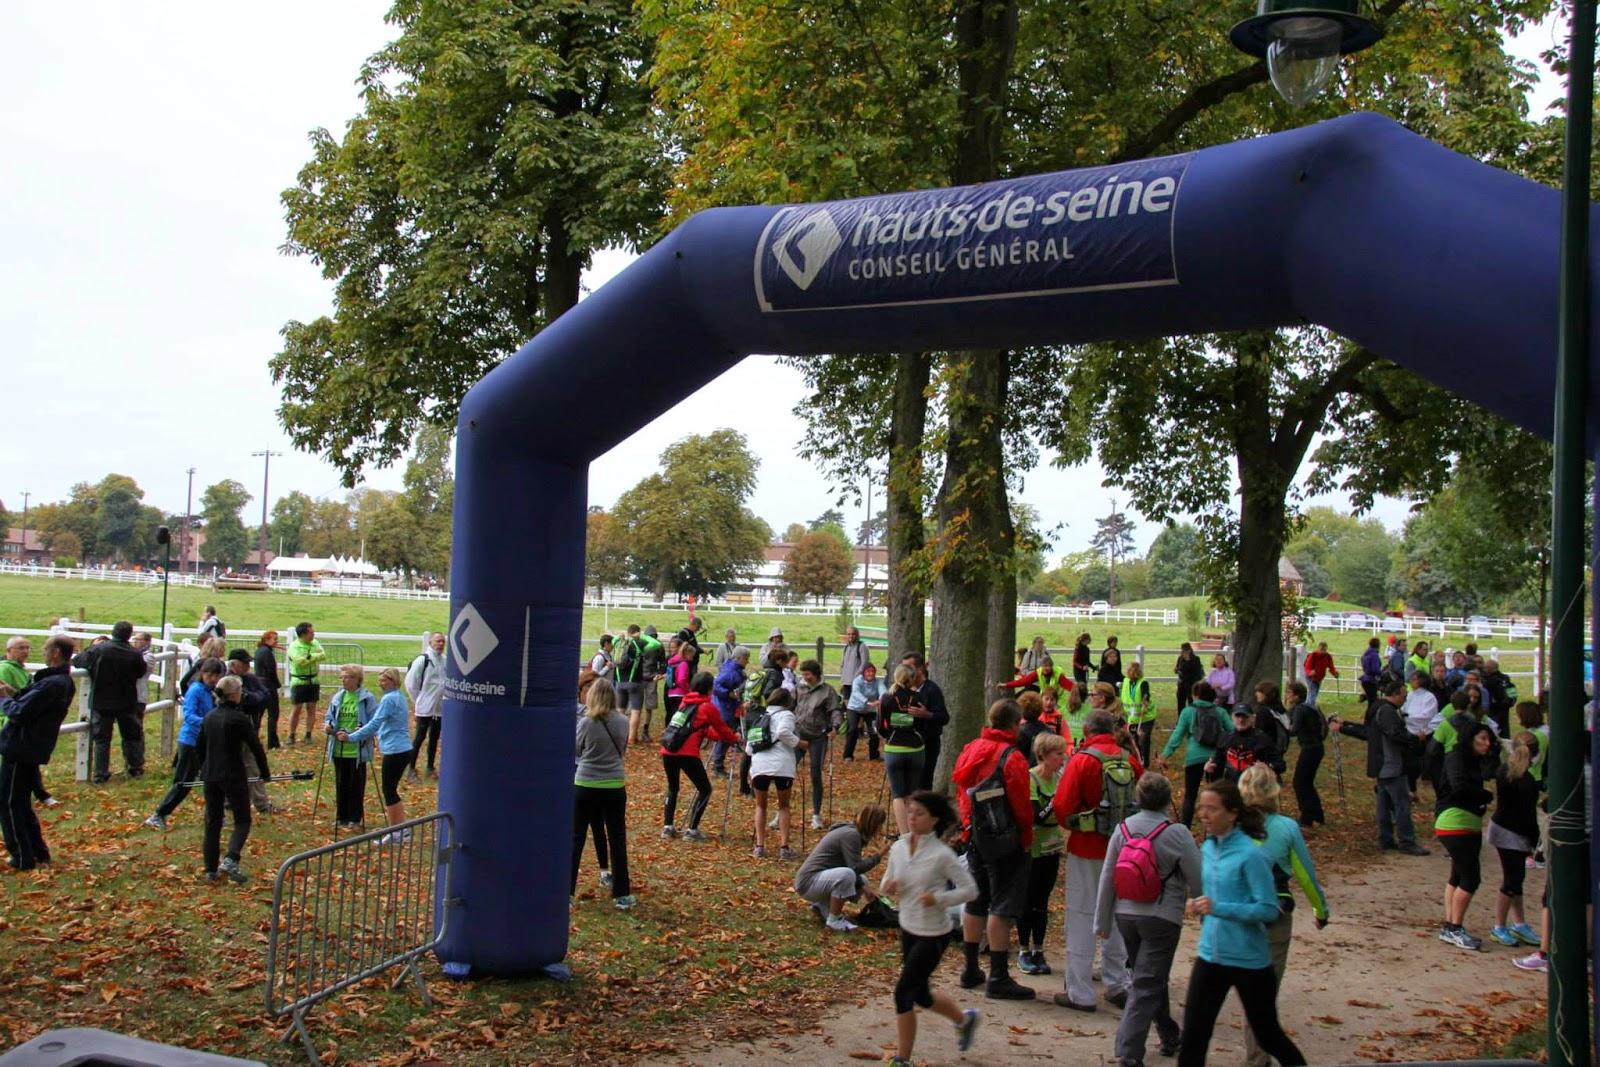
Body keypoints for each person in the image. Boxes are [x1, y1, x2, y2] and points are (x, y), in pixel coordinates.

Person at [1176, 781, 1307, 1067]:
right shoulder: (1208, 848)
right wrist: (1196, 904)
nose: (1204, 815)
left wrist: (1219, 908)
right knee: (1193, 1038)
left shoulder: (1252, 854)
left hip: (1249, 960)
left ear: (1233, 813)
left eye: (1213, 809)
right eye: (1202, 808)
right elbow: (1212, 893)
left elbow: (1268, 908)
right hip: (1210, 956)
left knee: (1268, 1035)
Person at [1096, 772, 1202, 1067]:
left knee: (1150, 977)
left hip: (1126, 915)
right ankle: (1128, 1053)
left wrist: (1102, 921)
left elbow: (1108, 876)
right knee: (1146, 982)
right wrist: (1204, 909)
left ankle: (1168, 1033)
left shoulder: (1123, 829)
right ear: (1168, 800)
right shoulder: (1178, 833)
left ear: (1138, 799)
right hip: (1162, 918)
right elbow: (1197, 877)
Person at [879, 790, 981, 1067]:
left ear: (934, 820)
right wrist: (889, 885)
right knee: (921, 995)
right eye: (910, 811)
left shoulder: (941, 855)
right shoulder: (899, 848)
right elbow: (886, 883)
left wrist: (938, 899)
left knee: (903, 993)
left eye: (919, 813)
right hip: (908, 928)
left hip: (934, 934)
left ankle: (902, 1059)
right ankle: (965, 1020)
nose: (912, 817)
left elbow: (970, 890)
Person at [1237, 765, 1329, 1067]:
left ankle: (1257, 1055)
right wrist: (1320, 910)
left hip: (1239, 918)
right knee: (1264, 993)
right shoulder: (1286, 827)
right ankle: (1258, 1058)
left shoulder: (1232, 826)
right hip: (1274, 916)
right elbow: (1305, 873)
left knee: (1250, 992)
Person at [1051, 708, 1139, 1012]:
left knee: (1082, 914)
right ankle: (1117, 983)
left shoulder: (1083, 760)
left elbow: (1063, 806)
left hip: (1088, 847)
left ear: (1087, 731)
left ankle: (1080, 991)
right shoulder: (1129, 760)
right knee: (1117, 913)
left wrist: (1077, 823)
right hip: (1125, 849)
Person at [952, 699, 1036, 1000]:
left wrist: (967, 827)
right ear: (1014, 724)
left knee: (976, 899)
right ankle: (998, 975)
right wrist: (1025, 837)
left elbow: (961, 791)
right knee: (1002, 903)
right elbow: (1021, 804)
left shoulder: (971, 749)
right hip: (1004, 840)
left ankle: (970, 967)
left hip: (975, 836)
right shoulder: (1012, 757)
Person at [1329, 679, 1430, 856]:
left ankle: (1386, 838)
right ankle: (1407, 841)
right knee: (1401, 804)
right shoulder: (1388, 712)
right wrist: (1416, 740)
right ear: (1396, 694)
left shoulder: (1377, 708)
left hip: (1380, 765)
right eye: (1404, 695)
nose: (1405, 699)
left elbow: (1367, 732)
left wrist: (1345, 726)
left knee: (1384, 804)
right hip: (1392, 764)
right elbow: (1395, 735)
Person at [0, 635, 76, 869]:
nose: (41, 653)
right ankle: (38, 851)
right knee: (21, 802)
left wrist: (3, 699)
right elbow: (32, 706)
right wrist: (13, 693)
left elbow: (20, 713)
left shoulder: (51, 683)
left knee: (9, 802)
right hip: (33, 746)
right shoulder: (62, 681)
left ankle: (22, 856)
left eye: (45, 649)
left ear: (55, 653)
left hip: (21, 747)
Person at [195, 675, 269, 883]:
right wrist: (264, 772)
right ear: (235, 694)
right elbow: (255, 747)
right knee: (242, 819)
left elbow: (199, 747)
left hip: (211, 775)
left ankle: (210, 870)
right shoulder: (239, 719)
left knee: (213, 821)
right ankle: (231, 858)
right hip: (233, 774)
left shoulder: (209, 717)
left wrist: (202, 768)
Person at [572, 677, 635, 909]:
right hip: (614, 784)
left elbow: (576, 750)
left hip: (585, 784)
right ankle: (621, 893)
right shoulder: (623, 721)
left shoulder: (586, 723)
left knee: (576, 837)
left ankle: (567, 892)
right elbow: (623, 749)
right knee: (617, 839)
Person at [1435, 720, 1497, 950]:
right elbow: (1459, 787)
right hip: (1455, 821)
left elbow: (1489, 772)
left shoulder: (1474, 760)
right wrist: (1483, 796)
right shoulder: (1456, 758)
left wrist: (1493, 756)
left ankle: (1450, 925)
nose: (1486, 743)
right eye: (1482, 738)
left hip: (1469, 823)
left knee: (1458, 875)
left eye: (1489, 739)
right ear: (1470, 738)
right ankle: (1455, 928)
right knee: (1471, 877)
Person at [660, 670, 741, 842]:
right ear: (709, 688)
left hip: (668, 750)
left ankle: (667, 827)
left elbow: (698, 728)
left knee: (673, 787)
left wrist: (718, 737)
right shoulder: (707, 707)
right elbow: (722, 729)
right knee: (705, 789)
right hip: (686, 753)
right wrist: (735, 738)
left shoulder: (685, 701)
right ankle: (692, 830)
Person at [146, 657, 224, 830]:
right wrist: (209, 722)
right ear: (202, 674)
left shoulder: (212, 692)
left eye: (216, 676)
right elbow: (189, 716)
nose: (212, 679)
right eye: (209, 675)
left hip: (205, 741)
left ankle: (216, 816)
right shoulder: (195, 690)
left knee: (213, 779)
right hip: (190, 741)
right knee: (184, 782)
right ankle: (159, 814)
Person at [339, 667, 414, 844]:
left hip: (395, 750)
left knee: (389, 791)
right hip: (402, 748)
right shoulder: (399, 697)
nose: (381, 684)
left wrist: (351, 737)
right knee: (391, 789)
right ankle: (401, 830)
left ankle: (397, 832)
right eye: (379, 680)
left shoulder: (389, 699)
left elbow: (375, 723)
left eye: (384, 680)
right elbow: (385, 726)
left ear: (393, 681)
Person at [72, 620, 147, 783]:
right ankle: (135, 768)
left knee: (102, 739)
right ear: (129, 635)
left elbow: (77, 661)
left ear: (113, 632)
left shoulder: (99, 650)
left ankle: (101, 774)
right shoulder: (134, 654)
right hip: (127, 701)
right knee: (131, 736)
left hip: (102, 701)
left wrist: (91, 649)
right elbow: (141, 672)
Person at [1487, 731, 1543, 948]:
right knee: (1512, 881)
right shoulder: (1527, 781)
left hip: (1500, 827)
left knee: (1515, 878)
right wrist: (1535, 842)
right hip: (1514, 834)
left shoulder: (1504, 770)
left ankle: (1519, 923)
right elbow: (1528, 816)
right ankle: (1499, 926)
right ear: (1535, 754)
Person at [1018, 732, 1067, 974]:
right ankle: (1023, 949)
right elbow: (1037, 815)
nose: (1062, 758)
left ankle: (1039, 949)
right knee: (1028, 899)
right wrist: (1057, 799)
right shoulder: (1031, 778)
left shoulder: (1060, 777)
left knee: (1042, 901)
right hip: (1033, 847)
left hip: (1052, 846)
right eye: (1058, 754)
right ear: (1044, 755)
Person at [794, 803, 886, 932]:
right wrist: (880, 854)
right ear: (872, 823)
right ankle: (834, 921)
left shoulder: (850, 831)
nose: (880, 828)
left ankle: (822, 906)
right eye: (879, 824)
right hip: (807, 882)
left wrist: (864, 887)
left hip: (814, 880)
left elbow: (851, 866)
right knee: (847, 875)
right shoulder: (851, 834)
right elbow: (855, 868)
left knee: (862, 880)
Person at [1157, 681, 1232, 827]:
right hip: (1216, 757)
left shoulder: (1188, 712)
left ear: (1196, 695)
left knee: (1190, 796)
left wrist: (1165, 754)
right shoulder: (1220, 712)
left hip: (1194, 757)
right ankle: (1217, 825)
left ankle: (1185, 827)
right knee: (1216, 793)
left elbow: (1177, 735)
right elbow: (1232, 731)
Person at [749, 687, 806, 860]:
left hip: (760, 765)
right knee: (784, 806)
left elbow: (749, 748)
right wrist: (799, 743)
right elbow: (783, 732)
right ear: (787, 702)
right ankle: (784, 847)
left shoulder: (760, 717)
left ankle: (760, 846)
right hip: (782, 765)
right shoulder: (787, 715)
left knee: (761, 805)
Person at [0, 637, 54, 807]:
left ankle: (38, 793)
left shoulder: (21, 670)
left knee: (28, 760)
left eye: (27, 648)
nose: (25, 651)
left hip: (23, 719)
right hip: (11, 719)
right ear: (9, 651)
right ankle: (39, 794)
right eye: (21, 648)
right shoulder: (5, 669)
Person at [879, 664, 932, 834]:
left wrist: (890, 734)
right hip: (915, 749)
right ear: (912, 679)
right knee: (911, 793)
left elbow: (880, 725)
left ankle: (904, 835)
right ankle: (914, 831)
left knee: (898, 795)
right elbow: (923, 723)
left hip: (894, 748)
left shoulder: (886, 698)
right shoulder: (918, 697)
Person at [325, 664, 377, 830]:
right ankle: (341, 817)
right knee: (341, 783)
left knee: (356, 785)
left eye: (347, 677)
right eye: (342, 677)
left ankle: (355, 818)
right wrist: (329, 725)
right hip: (339, 747)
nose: (343, 680)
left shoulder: (367, 698)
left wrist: (360, 731)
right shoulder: (338, 697)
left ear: (356, 679)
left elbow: (374, 722)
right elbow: (329, 716)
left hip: (357, 749)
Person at [793, 659, 842, 830]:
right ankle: (781, 812)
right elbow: (790, 705)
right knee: (788, 770)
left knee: (815, 774)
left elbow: (835, 710)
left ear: (816, 674)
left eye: (808, 674)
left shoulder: (827, 690)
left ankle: (816, 814)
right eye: (803, 674)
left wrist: (835, 727)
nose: (805, 677)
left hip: (818, 737)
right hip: (799, 734)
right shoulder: (798, 688)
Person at [227, 651, 277, 815]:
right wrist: (254, 698)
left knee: (252, 765)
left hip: (249, 729)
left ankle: (261, 803)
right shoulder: (228, 681)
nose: (248, 666)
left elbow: (264, 695)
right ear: (234, 664)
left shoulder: (250, 679)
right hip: (231, 731)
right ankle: (230, 800)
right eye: (244, 663)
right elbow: (247, 700)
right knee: (232, 766)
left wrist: (253, 698)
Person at [900, 652, 949, 792]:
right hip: (905, 744)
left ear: (920, 669)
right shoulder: (902, 690)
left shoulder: (932, 690)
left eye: (909, 668)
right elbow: (897, 718)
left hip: (927, 745)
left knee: (923, 784)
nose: (905, 672)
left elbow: (944, 717)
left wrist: (926, 714)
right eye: (903, 668)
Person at [1204, 704, 1285, 784]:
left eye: (1245, 716)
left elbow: (1280, 764)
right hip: (1231, 786)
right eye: (1237, 716)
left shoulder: (1262, 739)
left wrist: (1267, 766)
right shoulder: (1226, 738)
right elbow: (1217, 763)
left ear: (1253, 718)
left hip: (1255, 787)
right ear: (1232, 717)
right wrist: (1210, 767)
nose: (1241, 720)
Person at [405, 631, 446, 781]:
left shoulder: (444, 661)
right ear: (430, 643)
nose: (440, 644)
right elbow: (411, 683)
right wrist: (419, 701)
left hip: (439, 708)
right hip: (424, 708)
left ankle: (430, 767)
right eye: (437, 641)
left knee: (434, 737)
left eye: (442, 641)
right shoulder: (423, 660)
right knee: (419, 737)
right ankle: (411, 768)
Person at [1285, 681, 1327, 827]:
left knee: (1300, 783)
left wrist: (1283, 726)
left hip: (1309, 748)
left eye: (1289, 693)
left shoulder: (1299, 710)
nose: (1287, 696)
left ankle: (1307, 816)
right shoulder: (1309, 707)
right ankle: (1317, 815)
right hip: (1316, 747)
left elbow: (1293, 731)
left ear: (1297, 696)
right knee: (1307, 782)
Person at [709, 646, 748, 779]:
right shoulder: (730, 671)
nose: (747, 661)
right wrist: (729, 694)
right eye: (746, 658)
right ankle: (718, 766)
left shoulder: (734, 669)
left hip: (727, 707)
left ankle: (718, 764)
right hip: (724, 708)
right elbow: (715, 686)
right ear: (739, 658)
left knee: (726, 735)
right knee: (725, 736)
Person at [285, 622, 326, 745]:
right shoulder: (294, 647)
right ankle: (291, 734)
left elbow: (323, 655)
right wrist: (314, 656)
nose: (313, 634)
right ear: (303, 634)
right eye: (311, 632)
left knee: (311, 708)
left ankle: (308, 734)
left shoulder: (315, 643)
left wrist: (308, 656)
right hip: (299, 682)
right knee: (297, 709)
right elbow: (300, 662)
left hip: (313, 680)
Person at [614, 625, 651, 743]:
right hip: (635, 682)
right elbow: (655, 644)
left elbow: (612, 640)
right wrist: (642, 636)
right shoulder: (638, 643)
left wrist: (618, 637)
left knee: (620, 710)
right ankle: (631, 738)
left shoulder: (618, 643)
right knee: (635, 711)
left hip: (619, 683)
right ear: (637, 632)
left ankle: (618, 736)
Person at [843, 662, 884, 762]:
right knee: (853, 729)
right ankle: (848, 755)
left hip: (870, 710)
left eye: (873, 671)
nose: (871, 674)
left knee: (874, 730)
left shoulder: (878, 682)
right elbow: (856, 692)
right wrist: (867, 702)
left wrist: (881, 700)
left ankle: (874, 755)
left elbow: (883, 691)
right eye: (868, 671)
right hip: (855, 708)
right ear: (863, 673)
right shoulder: (857, 681)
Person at [1000, 654, 1074, 705]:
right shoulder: (1038, 673)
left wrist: (1079, 692)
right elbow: (1023, 681)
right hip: (1045, 699)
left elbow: (1069, 686)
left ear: (1052, 666)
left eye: (1048, 666)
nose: (1046, 668)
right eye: (1044, 666)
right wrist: (1006, 685)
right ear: (1041, 666)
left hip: (1058, 701)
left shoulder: (1058, 675)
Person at [1121, 661, 1157, 765]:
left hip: (1146, 717)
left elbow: (1146, 694)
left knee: (1143, 739)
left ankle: (1145, 762)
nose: (1129, 673)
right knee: (1134, 740)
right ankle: (1137, 760)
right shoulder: (1126, 681)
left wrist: (1145, 701)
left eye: (1131, 671)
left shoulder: (1143, 683)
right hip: (1133, 717)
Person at [253, 630, 283, 750]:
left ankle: (254, 738)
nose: (276, 641)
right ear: (266, 640)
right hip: (268, 686)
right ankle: (272, 742)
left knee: (258, 714)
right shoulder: (267, 652)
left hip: (259, 685)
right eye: (274, 639)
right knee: (273, 714)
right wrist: (277, 684)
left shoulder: (260, 650)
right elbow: (271, 671)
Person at [839, 626, 872, 704]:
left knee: (857, 703)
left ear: (857, 635)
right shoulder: (846, 647)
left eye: (853, 634)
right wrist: (842, 676)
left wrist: (856, 677)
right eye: (849, 634)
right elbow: (843, 663)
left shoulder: (862, 646)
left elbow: (864, 664)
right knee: (847, 702)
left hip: (857, 681)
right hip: (846, 682)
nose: (851, 636)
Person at [662, 637, 690, 722]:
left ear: (679, 648)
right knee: (677, 714)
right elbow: (681, 679)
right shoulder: (682, 662)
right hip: (679, 691)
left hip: (671, 690)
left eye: (673, 647)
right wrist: (687, 690)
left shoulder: (671, 660)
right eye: (670, 647)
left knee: (671, 713)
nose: (671, 649)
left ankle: (668, 727)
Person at [1302, 641, 1338, 707]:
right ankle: (1310, 706)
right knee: (1313, 691)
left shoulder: (1328, 656)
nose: (1323, 652)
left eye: (1324, 650)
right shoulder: (1313, 655)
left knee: (1314, 692)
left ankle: (1307, 706)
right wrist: (1310, 672)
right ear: (1318, 648)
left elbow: (1331, 667)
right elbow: (1307, 667)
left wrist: (1335, 673)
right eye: (1321, 650)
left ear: (1326, 649)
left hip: (1319, 677)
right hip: (1310, 677)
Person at [1174, 642, 1205, 713]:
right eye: (1182, 650)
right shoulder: (1180, 658)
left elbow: (1196, 671)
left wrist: (1187, 660)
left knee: (1191, 702)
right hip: (1182, 684)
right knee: (1180, 703)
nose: (1183, 652)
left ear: (1190, 650)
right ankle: (1181, 717)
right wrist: (1176, 670)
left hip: (1192, 684)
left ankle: (1192, 716)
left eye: (1186, 650)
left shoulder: (1196, 659)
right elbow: (1178, 668)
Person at [1359, 637, 1383, 705]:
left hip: (1365, 679)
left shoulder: (1367, 653)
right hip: (1371, 680)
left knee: (1371, 701)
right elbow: (1375, 669)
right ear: (1378, 645)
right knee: (1373, 702)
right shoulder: (1374, 654)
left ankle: (1365, 696)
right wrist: (1381, 673)